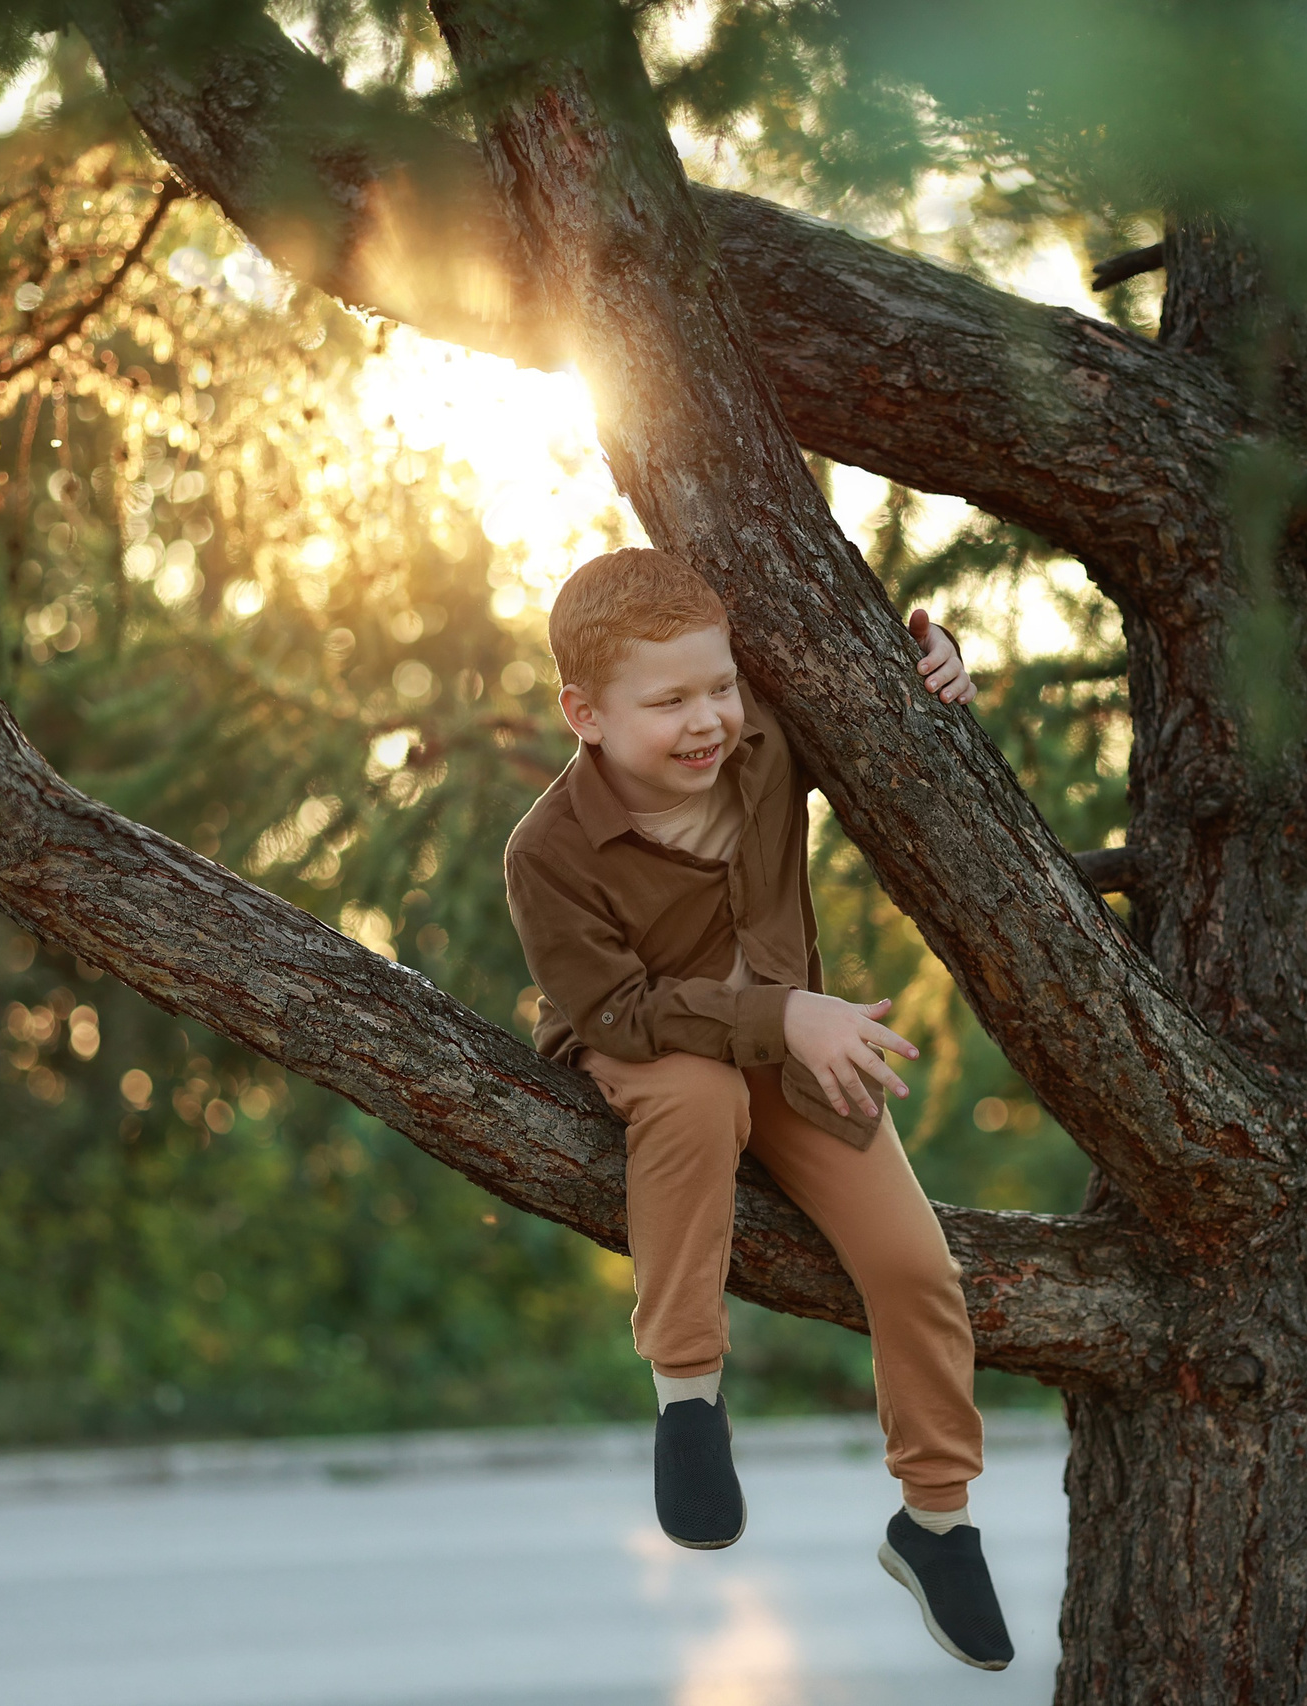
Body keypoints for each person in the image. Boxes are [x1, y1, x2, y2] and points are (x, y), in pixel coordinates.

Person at [501, 547, 1015, 1671]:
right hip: (650, 1046)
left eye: (720, 685)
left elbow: (882, 660)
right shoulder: (546, 852)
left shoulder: (769, 745)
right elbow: (625, 1012)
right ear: (583, 713)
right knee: (693, 1095)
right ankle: (687, 1392)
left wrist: (934, 656)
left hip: (792, 1047)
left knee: (916, 1264)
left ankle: (934, 1519)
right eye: (670, 700)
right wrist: (782, 1015)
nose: (708, 720)